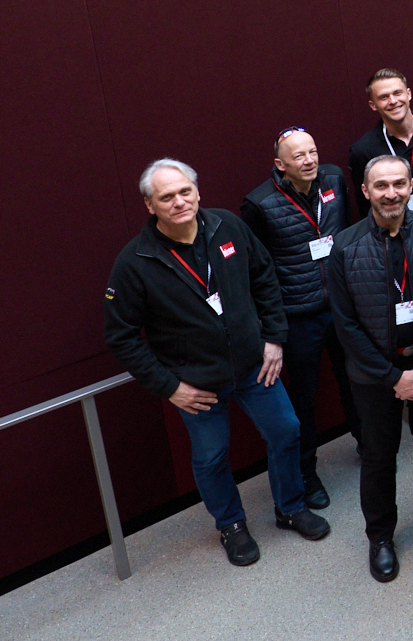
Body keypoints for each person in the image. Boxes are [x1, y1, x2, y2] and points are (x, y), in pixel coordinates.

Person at [105, 159, 325, 567]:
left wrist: (274, 338)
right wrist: (170, 387)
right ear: (150, 205)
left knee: (286, 431)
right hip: (196, 384)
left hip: (254, 366)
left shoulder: (227, 226)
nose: (178, 202)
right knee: (211, 457)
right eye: (166, 197)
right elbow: (121, 337)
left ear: (197, 192)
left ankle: (291, 507)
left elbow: (264, 277)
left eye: (184, 191)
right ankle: (231, 525)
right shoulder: (135, 262)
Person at [324, 155, 413, 582]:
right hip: (374, 375)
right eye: (381, 185)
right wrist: (393, 378)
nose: (391, 193)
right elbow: (345, 326)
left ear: (411, 187)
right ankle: (381, 536)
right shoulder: (344, 247)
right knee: (378, 455)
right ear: (365, 191)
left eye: (399, 184)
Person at [239, 126, 358, 511]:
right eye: (299, 156)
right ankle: (307, 474)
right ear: (280, 164)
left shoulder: (335, 179)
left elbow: (348, 233)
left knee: (356, 381)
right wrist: (271, 327)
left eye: (313, 151)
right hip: (298, 317)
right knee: (304, 400)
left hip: (341, 307)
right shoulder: (259, 204)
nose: (309, 161)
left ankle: (369, 444)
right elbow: (256, 271)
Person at [348, 69, 413, 214]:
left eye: (397, 93)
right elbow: (367, 207)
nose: (393, 101)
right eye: (384, 97)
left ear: (409, 94)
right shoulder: (363, 150)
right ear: (373, 105)